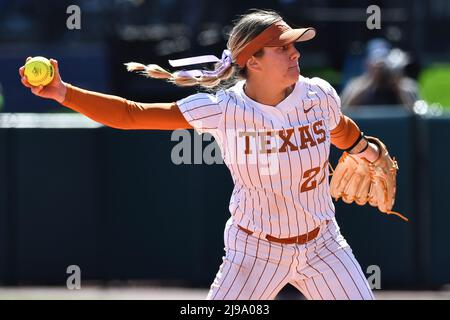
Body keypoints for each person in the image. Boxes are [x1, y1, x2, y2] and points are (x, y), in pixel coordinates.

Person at [20, 9, 386, 300]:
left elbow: (338, 126)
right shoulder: (224, 109)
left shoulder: (318, 94)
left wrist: (364, 150)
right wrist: (63, 92)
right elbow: (131, 114)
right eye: (283, 47)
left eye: (294, 45)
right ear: (252, 61)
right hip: (255, 253)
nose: (296, 52)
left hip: (323, 245)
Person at [340, 38, 419, 111]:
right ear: (367, 63)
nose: (381, 68)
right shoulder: (356, 85)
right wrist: (372, 83)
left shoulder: (405, 84)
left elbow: (416, 113)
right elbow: (344, 111)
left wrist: (397, 85)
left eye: (384, 63)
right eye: (377, 64)